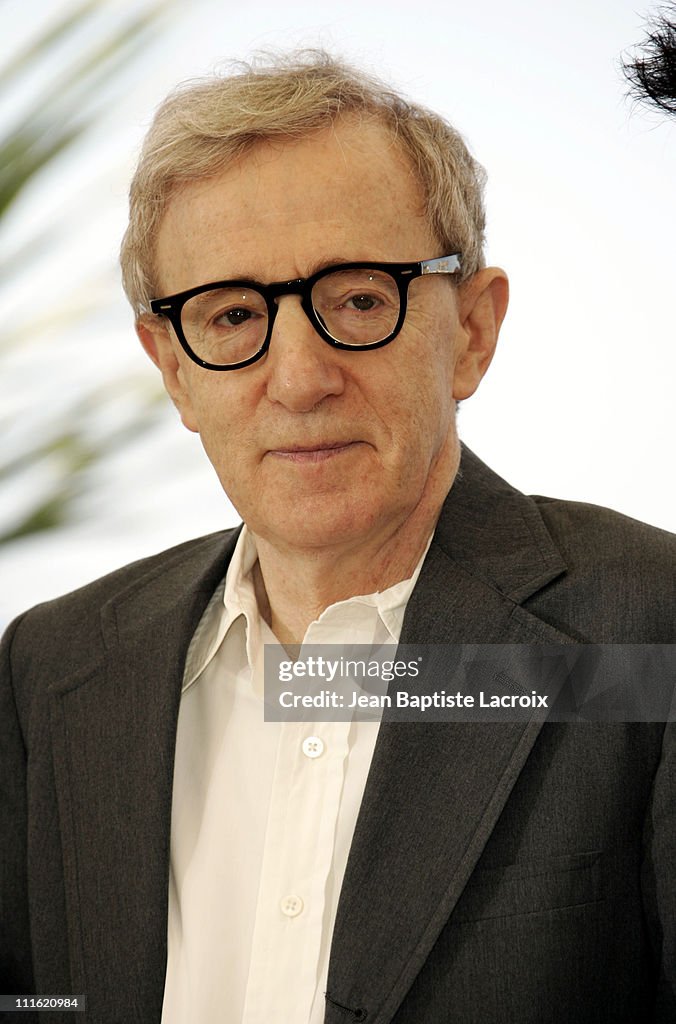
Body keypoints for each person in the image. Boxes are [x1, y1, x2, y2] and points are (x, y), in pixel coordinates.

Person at [1, 51, 675, 1024]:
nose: (300, 376)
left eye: (359, 298)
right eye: (232, 315)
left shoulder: (646, 636)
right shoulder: (52, 666)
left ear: (474, 332)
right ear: (173, 368)